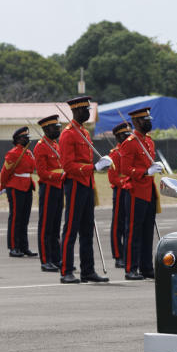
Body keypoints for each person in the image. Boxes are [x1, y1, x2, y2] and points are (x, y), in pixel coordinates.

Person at [58, 96, 111, 284]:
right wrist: (94, 168)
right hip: (75, 184)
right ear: (76, 111)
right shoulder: (68, 134)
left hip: (87, 184)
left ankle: (88, 270)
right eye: (84, 110)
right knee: (71, 229)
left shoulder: (84, 133)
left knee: (87, 230)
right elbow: (68, 165)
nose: (87, 113)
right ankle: (66, 271)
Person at [120, 107, 160, 280]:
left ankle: (146, 267)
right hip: (136, 191)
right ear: (136, 122)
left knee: (147, 231)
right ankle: (131, 268)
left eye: (149, 118)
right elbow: (125, 168)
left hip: (149, 190)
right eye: (144, 119)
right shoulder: (130, 142)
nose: (148, 122)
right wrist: (145, 172)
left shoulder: (149, 141)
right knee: (133, 232)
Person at [0, 127, 37, 258]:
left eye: (27, 137)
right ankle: (13, 247)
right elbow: (5, 171)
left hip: (27, 185)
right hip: (15, 186)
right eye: (24, 137)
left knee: (24, 218)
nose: (27, 139)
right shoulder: (13, 153)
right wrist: (2, 186)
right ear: (18, 139)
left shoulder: (28, 153)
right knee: (16, 217)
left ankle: (23, 246)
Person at [34, 115, 64, 272]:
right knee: (46, 226)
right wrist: (60, 175)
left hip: (59, 187)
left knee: (55, 225)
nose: (58, 129)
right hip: (49, 188)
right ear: (46, 129)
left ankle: (56, 258)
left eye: (59, 127)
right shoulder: (41, 147)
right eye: (55, 127)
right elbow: (42, 172)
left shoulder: (56, 145)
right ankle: (46, 260)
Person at [108, 122, 131, 268]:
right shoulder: (115, 154)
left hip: (131, 190)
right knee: (118, 224)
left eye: (129, 134)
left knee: (130, 224)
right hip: (121, 190)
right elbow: (113, 177)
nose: (128, 136)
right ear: (118, 137)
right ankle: (118, 255)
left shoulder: (130, 150)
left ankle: (128, 253)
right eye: (124, 135)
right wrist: (125, 183)